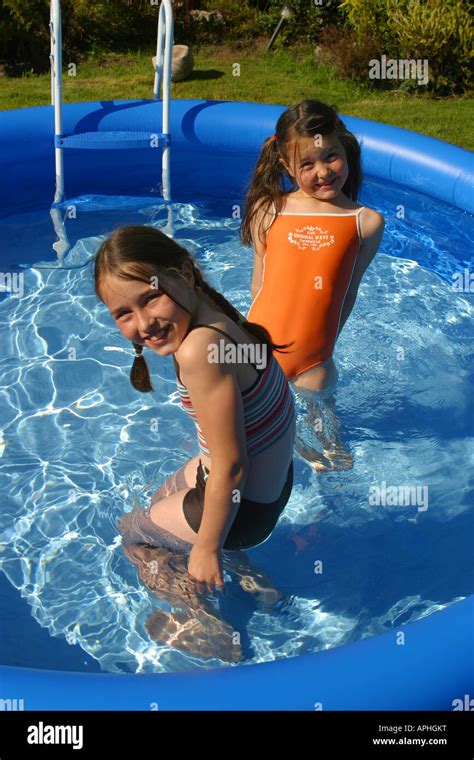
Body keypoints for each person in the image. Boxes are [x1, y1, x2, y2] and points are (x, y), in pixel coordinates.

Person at [93, 225, 296, 658]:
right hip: (272, 484)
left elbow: (230, 468)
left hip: (245, 504)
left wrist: (204, 549)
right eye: (123, 313)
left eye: (150, 297)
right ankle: (244, 572)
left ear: (184, 274)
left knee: (133, 535)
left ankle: (209, 628)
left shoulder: (199, 350)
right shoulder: (215, 316)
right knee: (164, 493)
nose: (143, 323)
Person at [241, 99, 385, 471]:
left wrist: (324, 346)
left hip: (314, 361)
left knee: (332, 448)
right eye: (307, 164)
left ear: (345, 149)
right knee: (252, 438)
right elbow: (259, 285)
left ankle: (330, 485)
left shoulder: (364, 222)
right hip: (260, 352)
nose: (323, 172)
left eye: (331, 157)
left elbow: (347, 295)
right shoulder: (268, 209)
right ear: (287, 165)